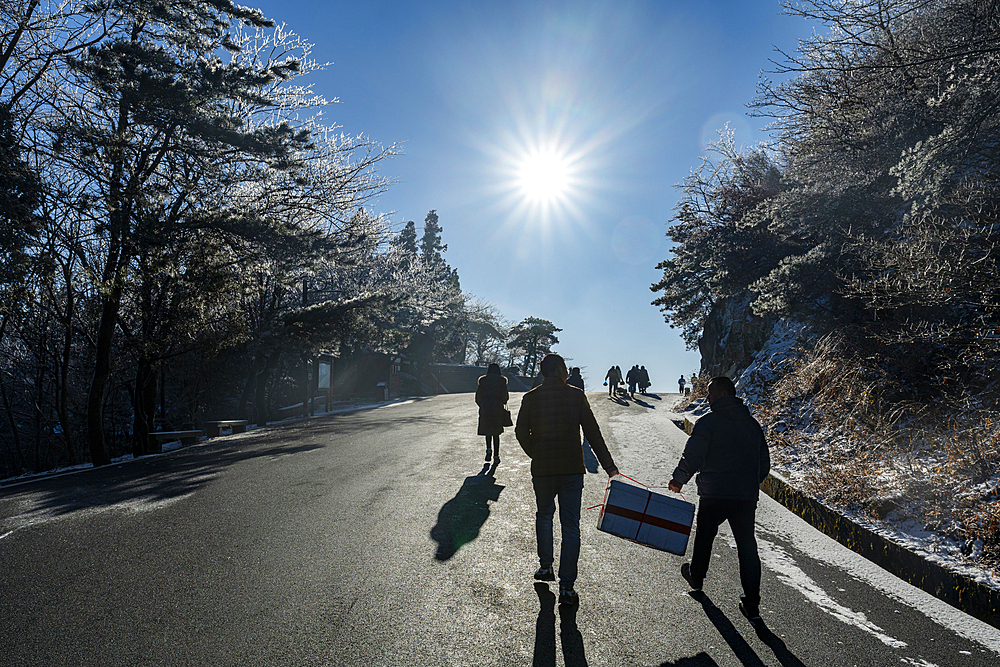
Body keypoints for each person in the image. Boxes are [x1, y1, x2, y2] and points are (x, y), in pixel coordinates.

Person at [516, 353, 619, 605]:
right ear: (562, 370)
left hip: (542, 470)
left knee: (544, 516)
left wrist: (536, 453)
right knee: (570, 526)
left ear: (543, 373)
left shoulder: (531, 398)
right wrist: (609, 466)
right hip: (572, 470)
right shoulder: (575, 395)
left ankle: (545, 566)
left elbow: (520, 432)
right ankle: (567, 586)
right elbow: (592, 432)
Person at [667, 376, 770, 625]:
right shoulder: (752, 425)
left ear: (724, 394)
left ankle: (697, 577)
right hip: (744, 497)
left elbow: (693, 454)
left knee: (704, 536)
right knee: (747, 546)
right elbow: (764, 465)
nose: (708, 398)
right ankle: (751, 602)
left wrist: (679, 479)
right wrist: (747, 481)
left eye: (711, 394)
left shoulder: (709, 423)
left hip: (714, 492)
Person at [476, 363, 509, 463]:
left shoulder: (483, 381)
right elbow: (505, 397)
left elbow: (478, 397)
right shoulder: (502, 381)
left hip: (486, 408)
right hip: (497, 409)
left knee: (487, 431)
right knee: (496, 433)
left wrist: (482, 405)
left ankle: (488, 450)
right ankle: (496, 456)